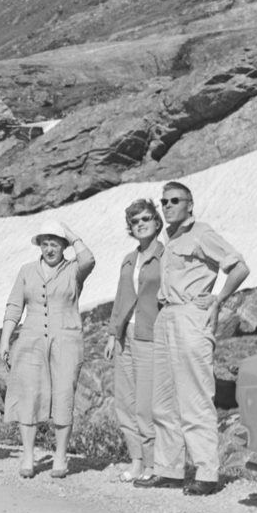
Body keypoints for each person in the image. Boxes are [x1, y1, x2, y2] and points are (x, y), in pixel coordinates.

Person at [142, 181, 249, 495]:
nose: (168, 205)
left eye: (175, 200)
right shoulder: (169, 240)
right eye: (164, 201)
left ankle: (206, 473)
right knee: (162, 401)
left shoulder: (201, 233)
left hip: (191, 315)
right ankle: (169, 469)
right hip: (167, 316)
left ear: (190, 204)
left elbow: (239, 267)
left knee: (195, 399)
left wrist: (219, 298)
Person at [0, 219, 96, 479]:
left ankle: (60, 457)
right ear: (39, 245)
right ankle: (28, 456)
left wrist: (71, 232)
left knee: (63, 395)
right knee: (28, 394)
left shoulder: (74, 270)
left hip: (67, 339)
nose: (49, 249)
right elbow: (14, 306)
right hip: (30, 338)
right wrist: (5, 338)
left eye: (55, 243)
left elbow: (89, 258)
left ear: (64, 246)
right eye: (45, 243)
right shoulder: (27, 270)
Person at [105, 199, 164, 486]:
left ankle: (152, 463)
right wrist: (112, 333)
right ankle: (136, 461)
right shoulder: (129, 259)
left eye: (146, 218)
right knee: (125, 404)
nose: (140, 224)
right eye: (135, 221)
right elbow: (121, 297)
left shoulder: (166, 256)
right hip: (124, 337)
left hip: (149, 337)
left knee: (145, 405)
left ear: (156, 222)